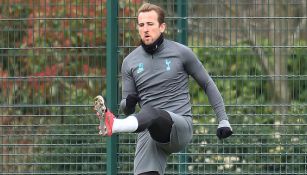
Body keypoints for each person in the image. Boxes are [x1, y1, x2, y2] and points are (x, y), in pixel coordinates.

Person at [94, 3, 233, 175]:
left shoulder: (181, 53)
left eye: (150, 24)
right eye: (141, 25)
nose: (145, 29)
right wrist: (128, 103)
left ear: (162, 27)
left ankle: (114, 124)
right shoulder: (129, 62)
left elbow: (207, 84)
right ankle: (114, 124)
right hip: (149, 131)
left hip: (179, 126)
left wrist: (223, 119)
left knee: (152, 111)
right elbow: (127, 108)